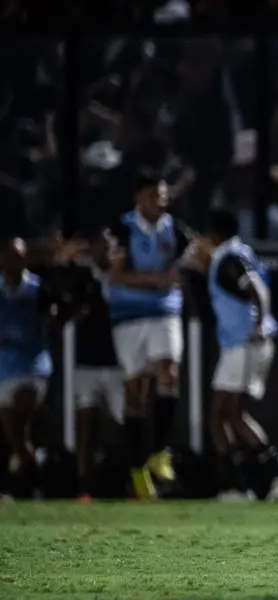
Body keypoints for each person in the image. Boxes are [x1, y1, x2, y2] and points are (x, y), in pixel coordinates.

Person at [105, 170, 192, 499]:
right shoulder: (121, 229)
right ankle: (137, 468)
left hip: (165, 312)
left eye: (165, 196)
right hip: (128, 316)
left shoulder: (176, 229)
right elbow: (119, 276)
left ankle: (160, 453)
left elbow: (190, 262)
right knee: (136, 391)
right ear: (140, 199)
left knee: (169, 371)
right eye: (156, 196)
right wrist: (158, 279)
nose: (162, 202)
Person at [202, 208, 278, 501]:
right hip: (241, 343)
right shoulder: (238, 254)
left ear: (213, 235)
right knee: (226, 415)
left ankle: (268, 480)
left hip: (244, 342)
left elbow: (256, 288)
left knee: (226, 414)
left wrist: (259, 324)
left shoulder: (230, 257)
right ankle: (243, 484)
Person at [65, 231, 125, 502]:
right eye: (103, 246)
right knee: (85, 423)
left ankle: (130, 481)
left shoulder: (123, 277)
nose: (107, 252)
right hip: (87, 362)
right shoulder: (81, 277)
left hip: (119, 363)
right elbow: (69, 313)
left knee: (128, 423)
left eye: (111, 247)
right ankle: (83, 484)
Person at [0, 237, 52, 498]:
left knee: (23, 412)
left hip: (33, 364)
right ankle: (30, 474)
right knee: (15, 431)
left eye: (20, 255)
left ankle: (25, 468)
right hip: (4, 367)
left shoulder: (39, 288)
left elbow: (50, 319)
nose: (15, 261)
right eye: (10, 255)